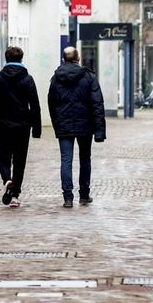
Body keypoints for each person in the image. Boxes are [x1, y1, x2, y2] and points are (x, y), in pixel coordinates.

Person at [0, 46, 42, 208]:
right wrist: (36, 129)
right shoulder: (28, 79)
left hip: (3, 125)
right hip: (22, 126)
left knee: (3, 157)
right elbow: (35, 105)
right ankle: (15, 195)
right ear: (21, 59)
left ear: (6, 59)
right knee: (20, 160)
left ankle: (7, 179)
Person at [48, 46, 106, 208]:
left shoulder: (56, 78)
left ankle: (67, 197)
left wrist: (56, 124)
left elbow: (51, 103)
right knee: (85, 159)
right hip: (85, 126)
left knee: (66, 160)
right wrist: (99, 130)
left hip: (64, 125)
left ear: (63, 59)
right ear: (78, 59)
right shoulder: (89, 77)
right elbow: (97, 104)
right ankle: (84, 195)